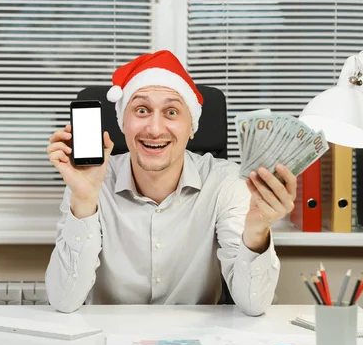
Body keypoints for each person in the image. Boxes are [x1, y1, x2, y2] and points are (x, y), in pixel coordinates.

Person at [45, 50, 296, 315]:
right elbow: (64, 301)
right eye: (141, 110)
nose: (154, 129)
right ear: (122, 123)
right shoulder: (88, 180)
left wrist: (257, 232)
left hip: (198, 344)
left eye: (172, 112)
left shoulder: (227, 183)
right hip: (108, 341)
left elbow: (253, 305)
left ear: (192, 127)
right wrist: (84, 201)